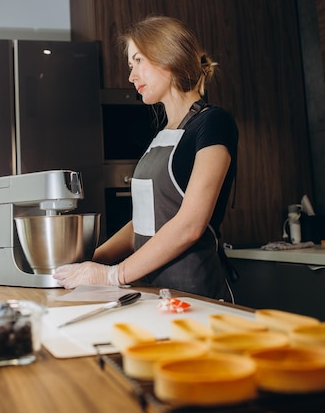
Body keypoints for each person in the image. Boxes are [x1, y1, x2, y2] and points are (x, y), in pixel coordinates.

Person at [54, 15, 238, 301]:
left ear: (168, 55)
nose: (131, 76)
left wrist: (113, 275)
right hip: (151, 293)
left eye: (138, 61)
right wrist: (88, 263)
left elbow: (190, 225)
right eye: (130, 65)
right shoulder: (162, 135)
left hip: (197, 297)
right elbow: (140, 225)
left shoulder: (213, 124)